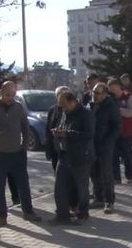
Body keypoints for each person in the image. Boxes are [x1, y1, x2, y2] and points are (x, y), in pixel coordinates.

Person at [0, 81, 40, 227]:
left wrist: (24, 145)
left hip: (17, 152)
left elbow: (25, 127)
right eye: (8, 94)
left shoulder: (18, 107)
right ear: (1, 92)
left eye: (13, 94)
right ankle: (1, 216)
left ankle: (28, 211)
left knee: (23, 183)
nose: (11, 97)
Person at [50, 91, 95, 225]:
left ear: (73, 101)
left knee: (81, 187)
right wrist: (58, 132)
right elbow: (63, 127)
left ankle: (83, 213)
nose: (63, 109)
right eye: (61, 106)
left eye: (65, 106)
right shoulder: (64, 112)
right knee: (60, 186)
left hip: (81, 156)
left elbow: (89, 134)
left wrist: (68, 133)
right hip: (64, 154)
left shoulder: (86, 114)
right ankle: (62, 214)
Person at [90, 82, 120, 214]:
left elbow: (117, 127)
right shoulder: (91, 104)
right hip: (92, 145)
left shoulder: (111, 106)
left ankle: (109, 201)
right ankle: (98, 197)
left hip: (105, 145)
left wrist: (108, 141)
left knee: (106, 174)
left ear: (105, 94)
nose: (94, 95)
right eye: (93, 92)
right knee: (94, 172)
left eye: (97, 93)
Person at [110, 79, 132, 181]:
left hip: (125, 132)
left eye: (114, 90)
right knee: (114, 156)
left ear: (120, 88)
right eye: (111, 90)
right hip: (113, 132)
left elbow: (130, 112)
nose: (113, 92)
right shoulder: (109, 99)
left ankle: (130, 175)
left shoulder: (129, 97)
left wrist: (117, 109)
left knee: (127, 155)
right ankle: (116, 178)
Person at [45, 86, 70, 172]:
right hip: (55, 149)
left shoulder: (73, 110)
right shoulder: (53, 110)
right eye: (59, 95)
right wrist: (48, 148)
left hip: (68, 149)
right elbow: (48, 129)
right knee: (57, 174)